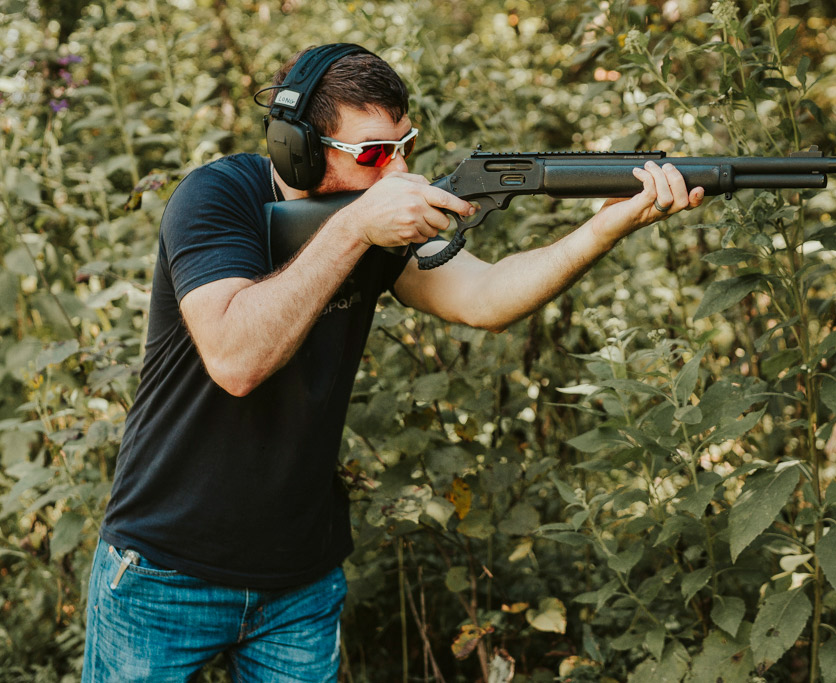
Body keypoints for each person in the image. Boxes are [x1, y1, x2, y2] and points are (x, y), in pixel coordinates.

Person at [82, 43, 704, 682]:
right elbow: (237, 359)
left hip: (300, 576)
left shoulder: (378, 216)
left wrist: (605, 227)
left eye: (405, 145)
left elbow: (484, 298)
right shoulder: (216, 198)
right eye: (375, 154)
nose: (400, 169)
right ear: (296, 147)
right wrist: (353, 230)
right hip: (165, 566)